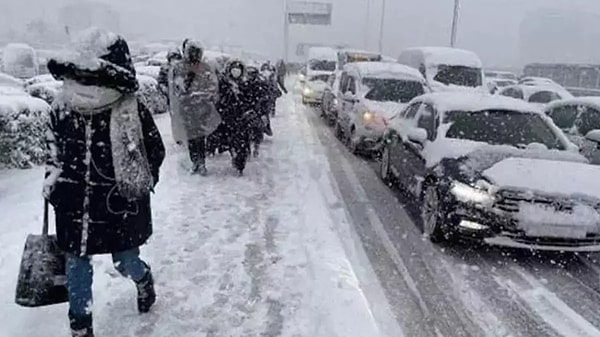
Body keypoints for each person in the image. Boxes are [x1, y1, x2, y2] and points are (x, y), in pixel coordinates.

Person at [44, 28, 165, 337]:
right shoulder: (62, 107)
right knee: (76, 266)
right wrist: (54, 183)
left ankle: (143, 279)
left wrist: (134, 180)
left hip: (118, 204)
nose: (86, 81)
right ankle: (80, 327)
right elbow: (53, 151)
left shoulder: (130, 108)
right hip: (73, 204)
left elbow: (155, 150)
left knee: (125, 261)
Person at [169, 40, 220, 175]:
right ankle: (195, 162)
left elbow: (212, 86)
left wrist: (201, 95)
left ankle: (201, 162)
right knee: (191, 136)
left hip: (201, 108)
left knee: (199, 136)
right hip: (187, 108)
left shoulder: (205, 68)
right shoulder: (179, 67)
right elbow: (175, 87)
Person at [214, 60, 253, 175]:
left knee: (242, 142)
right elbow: (219, 99)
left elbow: (250, 100)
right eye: (233, 69)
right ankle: (232, 153)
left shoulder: (245, 84)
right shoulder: (223, 83)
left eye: (238, 69)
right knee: (228, 139)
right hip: (227, 117)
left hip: (242, 119)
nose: (236, 71)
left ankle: (240, 162)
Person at [245, 66, 269, 157]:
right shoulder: (244, 84)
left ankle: (256, 147)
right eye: (249, 74)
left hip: (258, 111)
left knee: (258, 130)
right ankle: (247, 150)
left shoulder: (261, 85)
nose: (250, 76)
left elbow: (265, 99)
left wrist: (263, 112)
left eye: (252, 74)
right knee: (245, 132)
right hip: (247, 111)